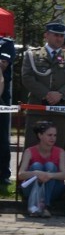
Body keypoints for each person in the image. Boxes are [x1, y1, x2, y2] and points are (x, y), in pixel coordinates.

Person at [21, 22, 65, 149]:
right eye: (56, 35)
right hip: (38, 109)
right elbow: (27, 77)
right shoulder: (32, 55)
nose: (59, 39)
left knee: (57, 149)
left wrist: (60, 94)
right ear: (46, 35)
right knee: (33, 148)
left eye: (61, 36)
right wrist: (46, 94)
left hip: (61, 110)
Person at [17, 120, 65, 217]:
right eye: (49, 135)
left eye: (55, 135)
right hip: (30, 189)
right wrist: (36, 173)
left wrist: (49, 175)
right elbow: (21, 175)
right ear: (40, 135)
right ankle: (40, 207)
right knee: (36, 166)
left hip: (53, 190)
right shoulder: (29, 151)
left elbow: (64, 175)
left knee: (50, 166)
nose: (53, 138)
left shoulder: (60, 152)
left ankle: (44, 206)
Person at [0, 33, 14, 185]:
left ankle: (3, 173)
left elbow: (3, 63)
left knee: (2, 138)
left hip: (1, 98)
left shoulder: (6, 43)